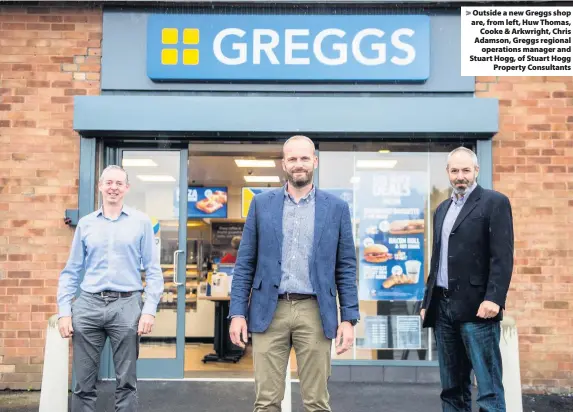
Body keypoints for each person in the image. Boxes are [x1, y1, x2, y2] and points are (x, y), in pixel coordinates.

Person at [229, 135, 359, 412]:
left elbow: (346, 266)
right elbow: (245, 264)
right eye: (292, 159)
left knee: (316, 402)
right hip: (269, 310)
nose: (298, 164)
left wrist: (349, 318)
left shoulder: (336, 208)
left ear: (315, 161)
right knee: (265, 402)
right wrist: (238, 313)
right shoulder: (262, 204)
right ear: (283, 164)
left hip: (315, 310)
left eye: (304, 158)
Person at [56, 165, 164, 412]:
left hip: (127, 305)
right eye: (109, 183)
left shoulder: (141, 222)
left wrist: (149, 310)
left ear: (127, 188)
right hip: (89, 304)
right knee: (83, 382)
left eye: (119, 183)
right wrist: (64, 311)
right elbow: (71, 270)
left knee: (126, 382)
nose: (113, 187)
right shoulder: (86, 224)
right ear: (100, 186)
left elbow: (153, 270)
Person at [421, 147, 514, 412]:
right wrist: (428, 301)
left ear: (476, 171)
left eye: (465, 170)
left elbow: (502, 256)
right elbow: (437, 260)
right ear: (448, 173)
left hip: (479, 310)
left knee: (488, 390)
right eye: (454, 170)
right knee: (452, 389)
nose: (460, 176)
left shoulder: (494, 202)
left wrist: (494, 298)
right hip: (444, 310)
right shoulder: (442, 209)